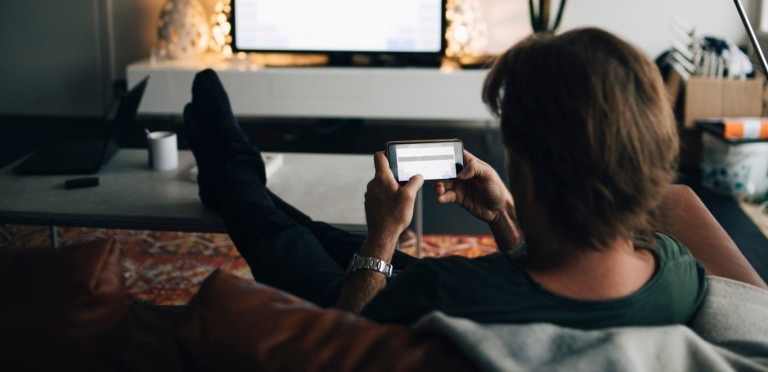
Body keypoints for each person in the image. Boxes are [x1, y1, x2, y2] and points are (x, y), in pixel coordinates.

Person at [183, 27, 707, 328]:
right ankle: (236, 172)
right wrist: (504, 213)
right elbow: (559, 271)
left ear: (528, 167)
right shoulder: (678, 268)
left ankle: (231, 172)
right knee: (318, 232)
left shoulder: (452, 290)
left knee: (278, 233)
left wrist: (385, 235)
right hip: (461, 280)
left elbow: (348, 343)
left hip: (361, 302)